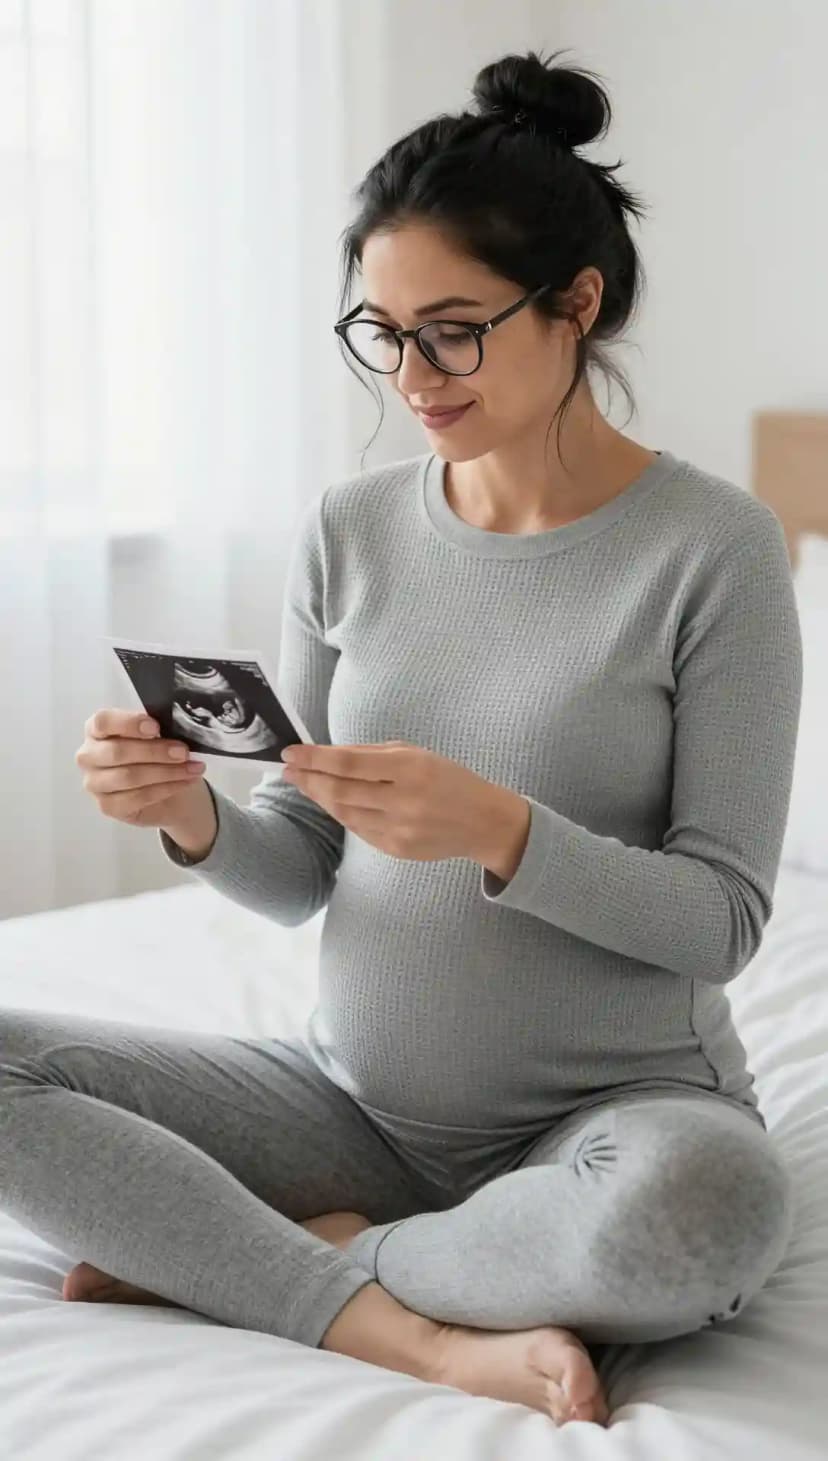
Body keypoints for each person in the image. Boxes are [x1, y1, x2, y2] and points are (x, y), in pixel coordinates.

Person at [1, 48, 801, 1430]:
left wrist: (501, 830)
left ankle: (298, 1257)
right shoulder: (352, 527)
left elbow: (722, 919)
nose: (412, 376)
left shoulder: (712, 550)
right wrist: (191, 818)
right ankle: (405, 1325)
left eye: (453, 330)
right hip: (355, 1107)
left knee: (710, 1211)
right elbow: (303, 869)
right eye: (380, 332)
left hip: (606, 1126)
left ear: (577, 304)